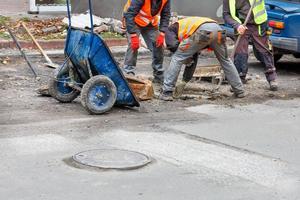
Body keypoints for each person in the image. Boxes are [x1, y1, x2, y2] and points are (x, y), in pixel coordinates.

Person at [160, 16, 245, 101]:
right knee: (225, 60)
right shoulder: (188, 25)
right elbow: (193, 57)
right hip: (218, 31)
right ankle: (239, 91)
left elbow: (173, 46)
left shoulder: (170, 29)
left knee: (177, 58)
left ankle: (167, 91)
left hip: (203, 31)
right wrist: (184, 81)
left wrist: (177, 52)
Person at [223, 0, 278, 91]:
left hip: (259, 24)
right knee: (240, 52)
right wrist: (237, 25)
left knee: (264, 51)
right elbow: (226, 14)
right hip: (242, 26)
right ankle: (239, 80)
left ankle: (272, 78)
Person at [123, 0, 171, 83]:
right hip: (133, 21)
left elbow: (166, 15)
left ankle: (158, 75)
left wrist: (162, 32)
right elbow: (129, 14)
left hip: (150, 23)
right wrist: (133, 35)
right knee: (133, 45)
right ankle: (128, 73)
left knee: (158, 45)